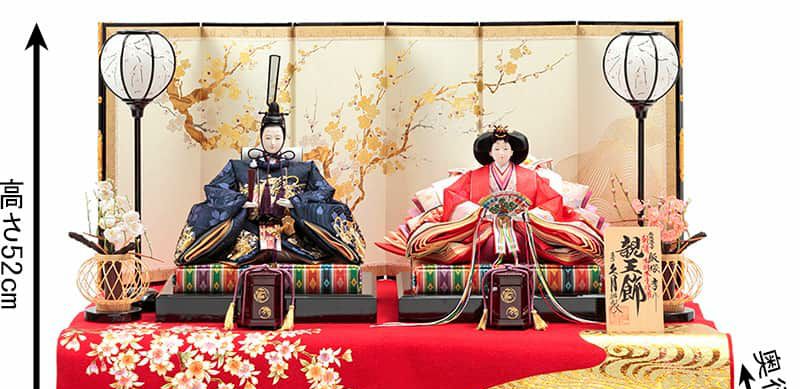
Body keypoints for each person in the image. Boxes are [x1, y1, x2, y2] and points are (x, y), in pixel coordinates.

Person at [174, 55, 365, 266]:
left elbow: (325, 192)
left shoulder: (304, 168)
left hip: (290, 232)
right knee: (206, 215)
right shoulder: (238, 167)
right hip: (249, 232)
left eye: (277, 138)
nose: (272, 143)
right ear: (261, 137)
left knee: (330, 215)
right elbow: (215, 189)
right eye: (268, 138)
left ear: (284, 138)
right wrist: (240, 202)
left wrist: (296, 202)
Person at [377, 126, 604, 265]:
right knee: (488, 243)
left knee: (523, 242)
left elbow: (551, 201)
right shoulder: (474, 177)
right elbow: (454, 196)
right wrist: (478, 213)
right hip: (482, 227)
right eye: (497, 149)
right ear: (489, 152)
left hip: (523, 227)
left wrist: (529, 215)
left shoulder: (531, 177)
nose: (501, 153)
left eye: (506, 149)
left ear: (513, 152)